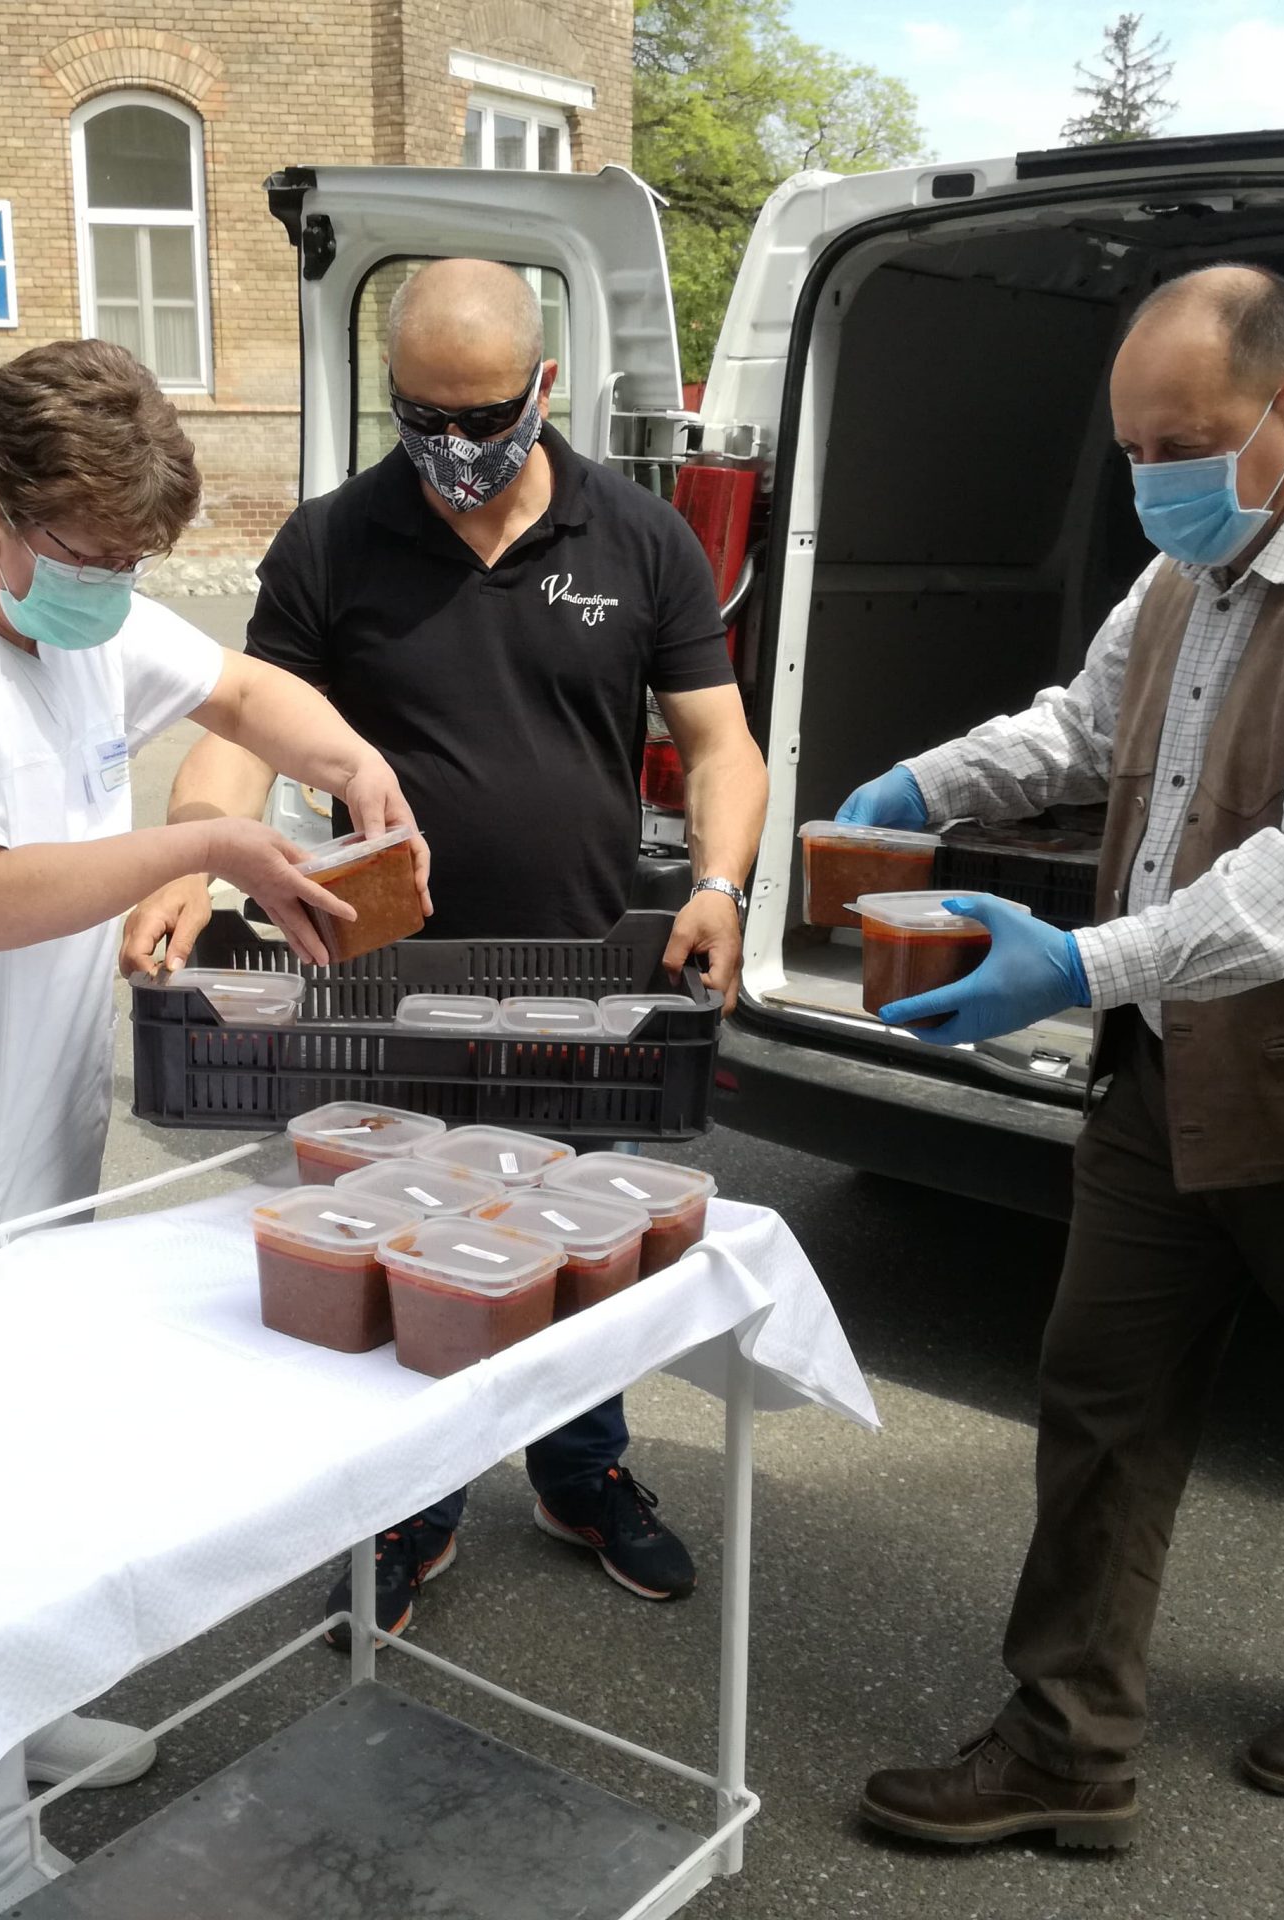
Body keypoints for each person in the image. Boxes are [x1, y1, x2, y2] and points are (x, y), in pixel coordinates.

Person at [847, 265, 1284, 1851]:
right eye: (1136, 447)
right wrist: (923, 782)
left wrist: (1079, 963)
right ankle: (1066, 1746)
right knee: (1103, 1401)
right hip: (1170, 1077)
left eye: (1183, 440)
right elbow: (1086, 731)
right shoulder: (1193, 567)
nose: (1154, 476)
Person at [0, 338, 420, 1914]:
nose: (120, 590)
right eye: (98, 559)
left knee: (19, 1455)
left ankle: (20, 1728)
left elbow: (243, 686)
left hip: (20, 1129)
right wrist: (207, 839)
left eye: (139, 562)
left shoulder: (65, 617)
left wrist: (345, 761)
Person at [123, 258, 768, 1644]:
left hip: (584, 981)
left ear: (543, 387)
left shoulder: (640, 538)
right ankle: (409, 1512)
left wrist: (720, 882)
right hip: (385, 983)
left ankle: (580, 1473)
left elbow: (720, 743)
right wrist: (190, 857)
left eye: (484, 415)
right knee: (403, 1254)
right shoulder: (332, 542)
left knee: (578, 1249)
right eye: (423, 414)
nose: (456, 449)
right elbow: (242, 731)